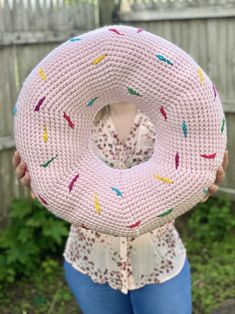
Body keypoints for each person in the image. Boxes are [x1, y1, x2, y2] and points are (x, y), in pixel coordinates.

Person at [12, 101, 228, 314]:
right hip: (89, 263)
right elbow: (58, 178)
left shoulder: (166, 120)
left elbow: (186, 175)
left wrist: (200, 185)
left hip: (159, 262)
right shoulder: (76, 122)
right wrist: (40, 182)